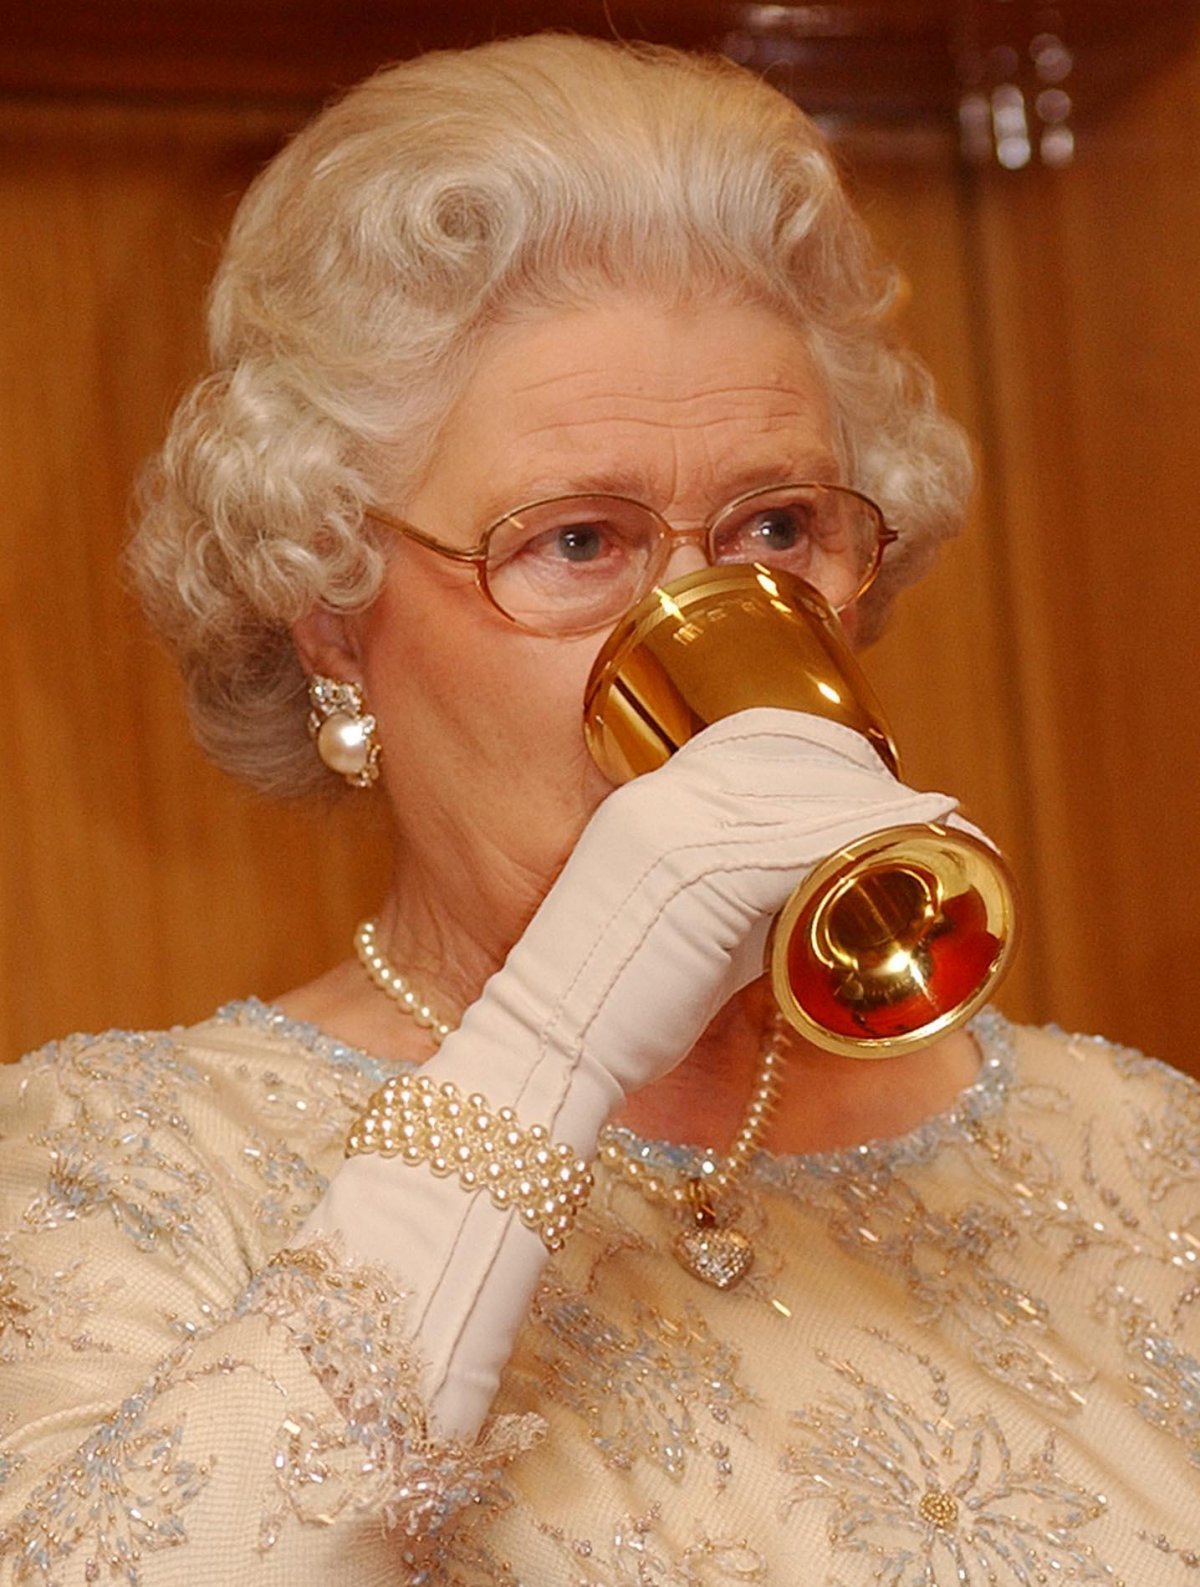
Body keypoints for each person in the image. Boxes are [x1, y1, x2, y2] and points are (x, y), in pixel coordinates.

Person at [1, 32, 1197, 1587]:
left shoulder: (1145, 1157)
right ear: (332, 619)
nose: (708, 625)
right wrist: (562, 1033)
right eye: (578, 540)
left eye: (779, 525)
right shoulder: (123, 1172)